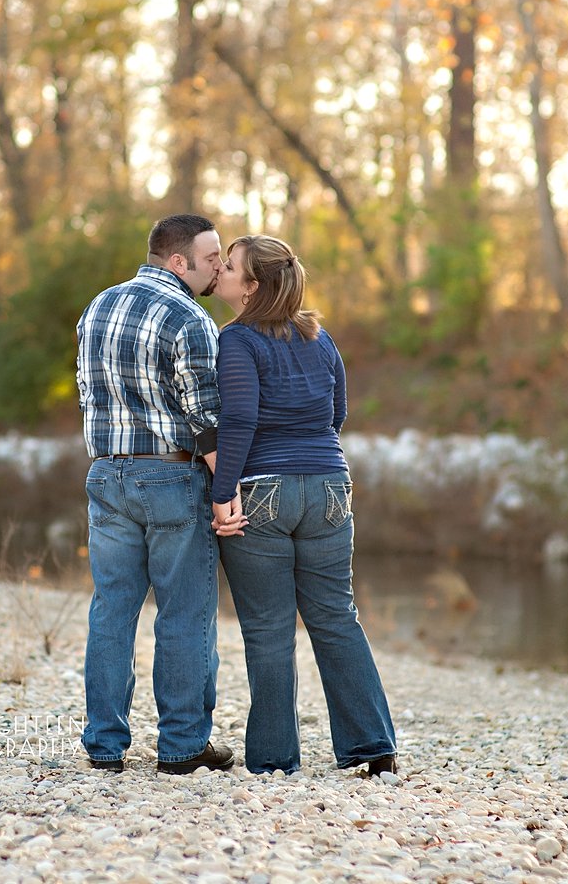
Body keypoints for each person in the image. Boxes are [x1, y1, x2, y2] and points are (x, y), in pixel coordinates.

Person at [210, 234, 398, 777]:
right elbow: (336, 412)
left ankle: (273, 760)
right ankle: (373, 746)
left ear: (250, 289)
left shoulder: (238, 341)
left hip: (262, 491)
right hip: (329, 487)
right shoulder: (320, 338)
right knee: (336, 616)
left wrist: (224, 493)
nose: (220, 271)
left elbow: (240, 421)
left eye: (230, 267)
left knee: (269, 628)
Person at [76, 213, 237, 775]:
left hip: (106, 475)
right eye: (212, 256)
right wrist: (227, 489)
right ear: (178, 261)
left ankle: (103, 745)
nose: (220, 265)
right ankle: (183, 747)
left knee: (112, 610)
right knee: (185, 613)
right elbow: (205, 417)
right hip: (171, 476)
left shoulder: (97, 306)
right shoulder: (190, 318)